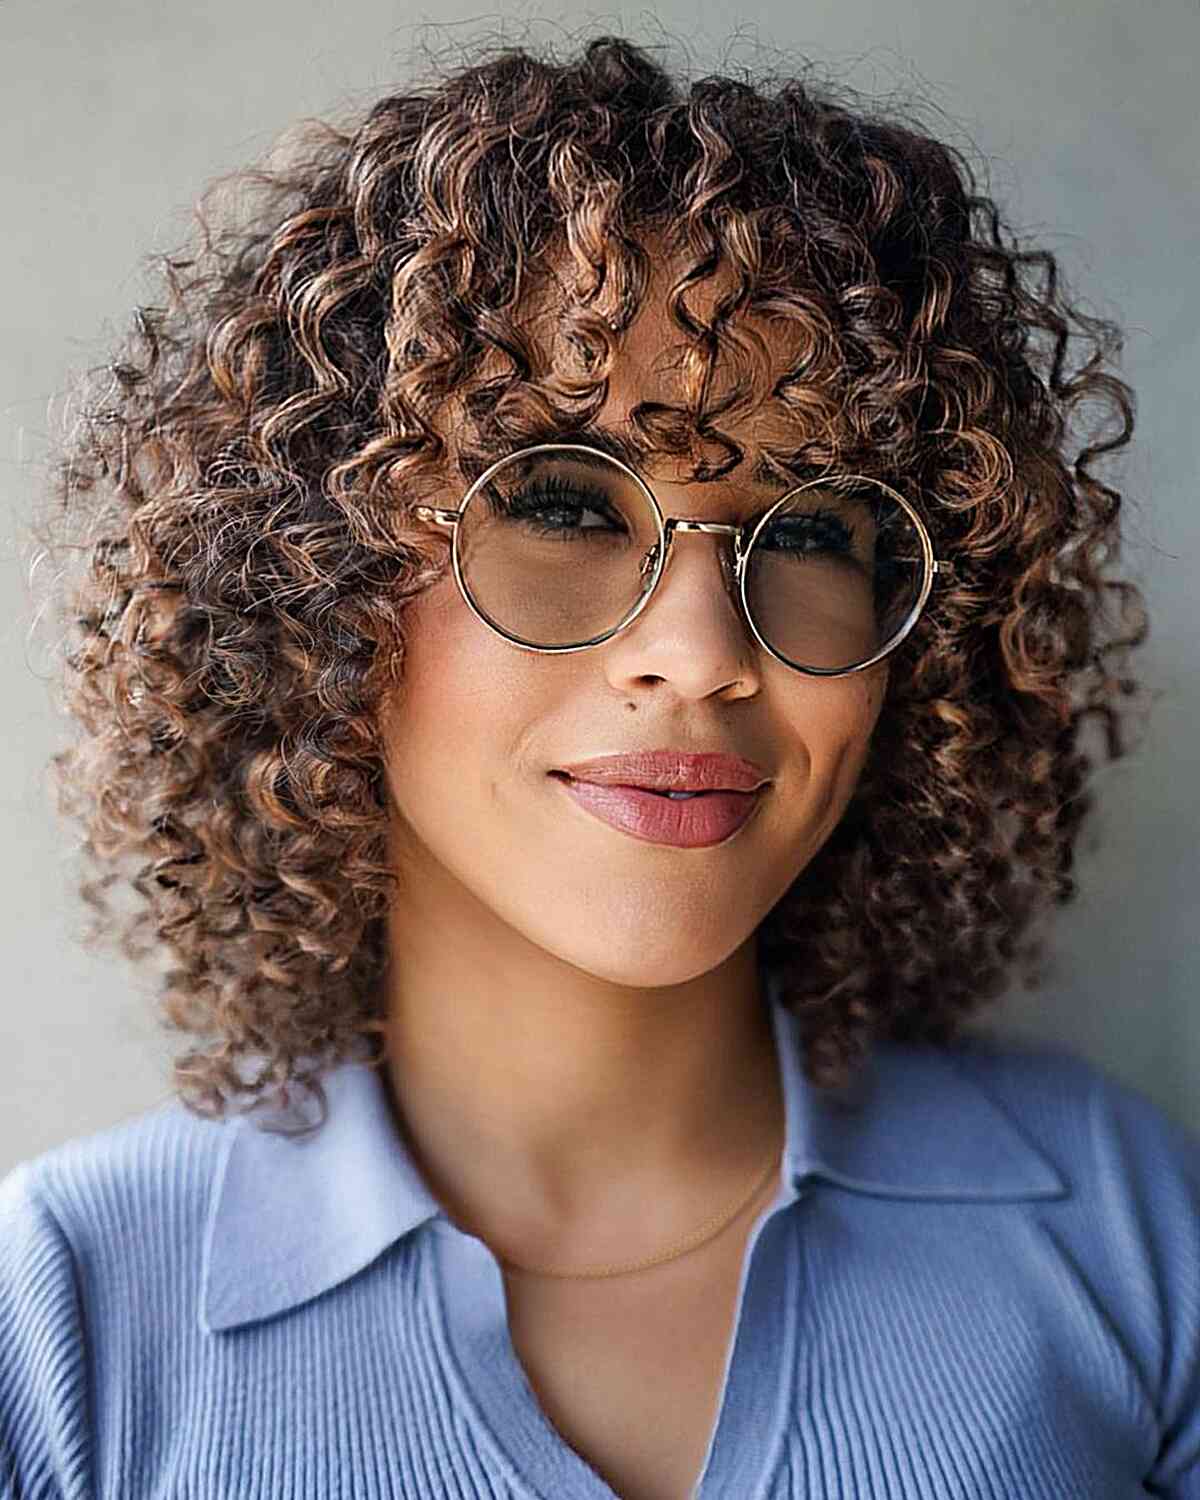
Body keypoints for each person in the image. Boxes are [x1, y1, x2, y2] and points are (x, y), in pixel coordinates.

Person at [2, 28, 1196, 1500]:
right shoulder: (65, 1314)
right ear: (309, 589)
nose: (701, 651)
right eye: (564, 504)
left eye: (815, 530)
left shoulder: (1119, 1220)